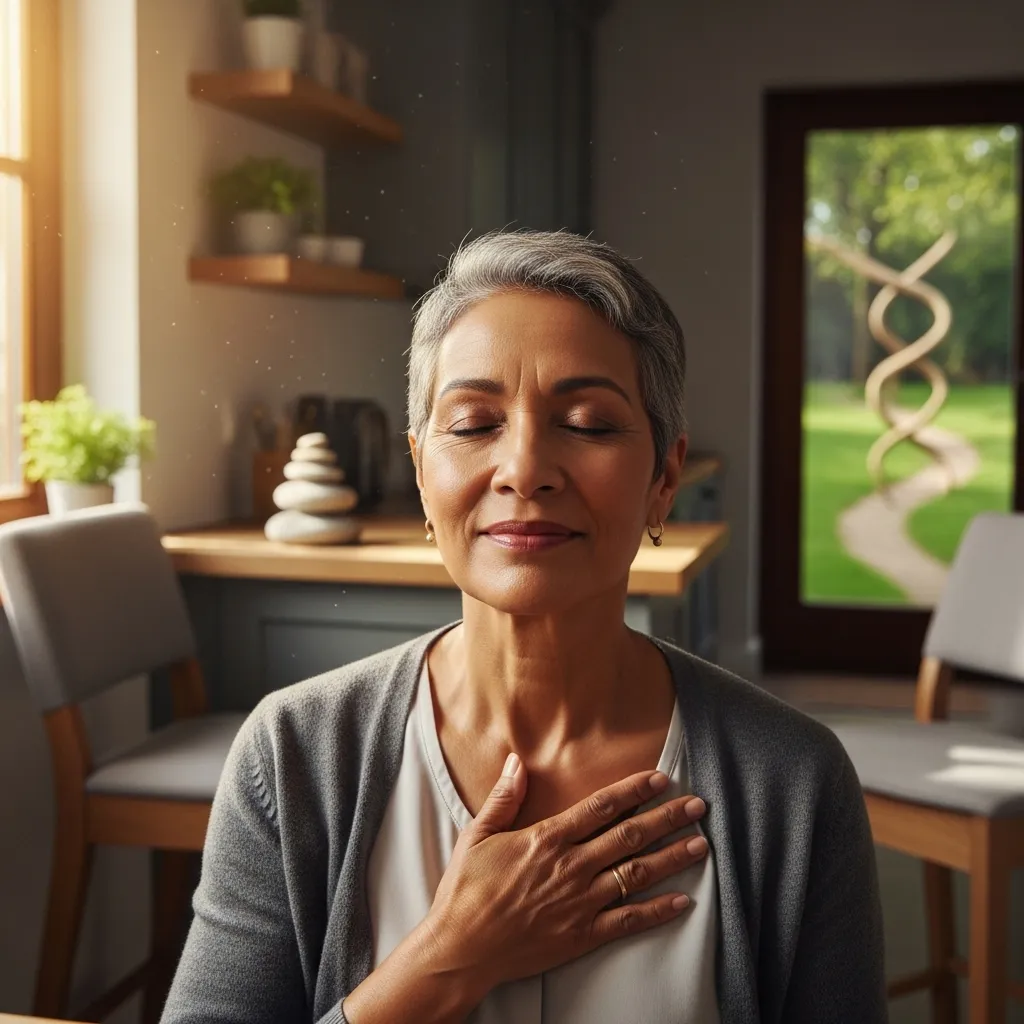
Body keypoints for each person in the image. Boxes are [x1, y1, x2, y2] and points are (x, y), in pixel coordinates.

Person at [162, 230, 887, 1024]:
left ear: (664, 479)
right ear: (420, 468)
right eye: (473, 424)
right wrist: (450, 957)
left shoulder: (792, 783)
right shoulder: (295, 756)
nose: (524, 468)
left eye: (588, 422)